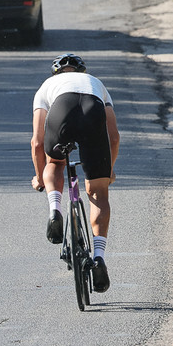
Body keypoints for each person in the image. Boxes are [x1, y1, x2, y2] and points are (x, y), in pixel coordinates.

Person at [30, 53, 120, 293]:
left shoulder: (47, 86)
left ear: (55, 73)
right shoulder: (96, 83)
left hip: (62, 109)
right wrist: (108, 171)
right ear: (82, 72)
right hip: (92, 109)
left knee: (55, 163)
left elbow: (37, 142)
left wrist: (40, 178)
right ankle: (98, 257)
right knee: (98, 193)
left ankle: (55, 209)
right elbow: (113, 137)